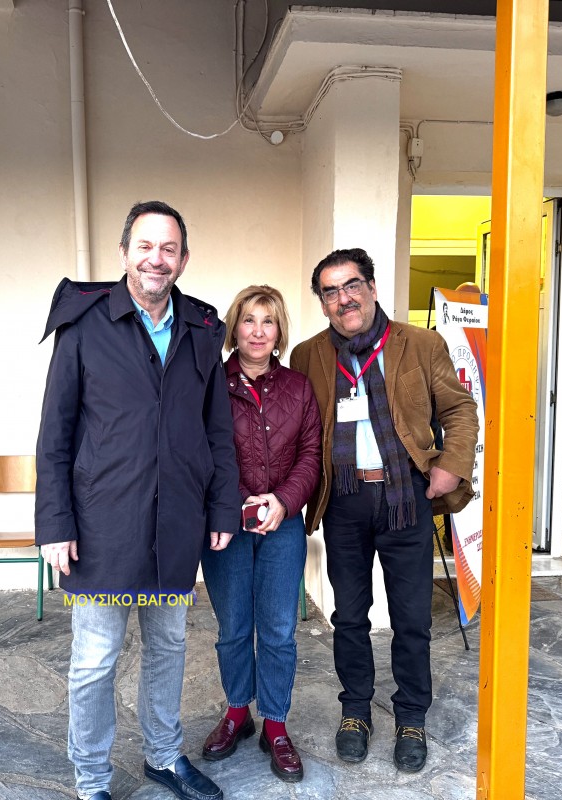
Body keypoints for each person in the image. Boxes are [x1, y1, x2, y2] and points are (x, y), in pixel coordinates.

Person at [36, 200, 240, 800]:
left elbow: (216, 430)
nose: (157, 258)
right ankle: (92, 779)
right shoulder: (84, 325)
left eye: (168, 248)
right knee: (96, 659)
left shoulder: (201, 330)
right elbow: (55, 432)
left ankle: (163, 756)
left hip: (176, 522)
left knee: (169, 648)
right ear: (124, 252)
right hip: (103, 526)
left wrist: (222, 508)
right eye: (145, 246)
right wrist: (55, 523)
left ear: (183, 259)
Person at [289, 248, 479, 773]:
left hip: (405, 498)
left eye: (352, 285)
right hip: (344, 501)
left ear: (371, 288)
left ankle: (411, 716)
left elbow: (459, 408)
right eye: (331, 291)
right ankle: (355, 710)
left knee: (412, 618)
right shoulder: (307, 356)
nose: (343, 298)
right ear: (323, 303)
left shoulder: (420, 344)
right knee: (349, 616)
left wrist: (451, 466)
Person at [199, 285, 321, 783]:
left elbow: (311, 454)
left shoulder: (299, 388)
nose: (257, 331)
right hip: (226, 526)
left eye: (267, 321)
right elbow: (201, 453)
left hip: (282, 525)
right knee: (232, 627)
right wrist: (235, 505)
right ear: (235, 327)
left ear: (279, 331)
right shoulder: (210, 383)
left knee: (277, 630)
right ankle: (237, 713)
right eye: (248, 319)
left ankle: (274, 723)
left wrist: (283, 501)